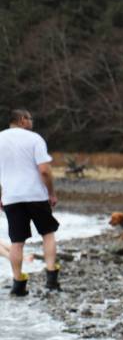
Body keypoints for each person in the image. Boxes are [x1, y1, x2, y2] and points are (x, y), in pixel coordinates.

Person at [0, 108, 60, 294]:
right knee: (47, 233)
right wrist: (51, 192)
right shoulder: (34, 139)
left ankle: (18, 283)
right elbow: (44, 170)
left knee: (17, 241)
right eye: (30, 118)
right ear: (22, 119)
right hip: (35, 195)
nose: (32, 122)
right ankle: (51, 278)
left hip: (11, 196)